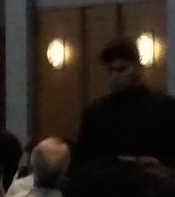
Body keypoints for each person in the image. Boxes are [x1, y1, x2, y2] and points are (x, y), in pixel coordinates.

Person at [73, 38, 175, 168]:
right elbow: (84, 159)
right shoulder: (95, 112)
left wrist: (158, 164)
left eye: (122, 69)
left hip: (152, 184)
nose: (114, 76)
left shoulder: (165, 108)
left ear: (138, 68)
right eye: (110, 70)